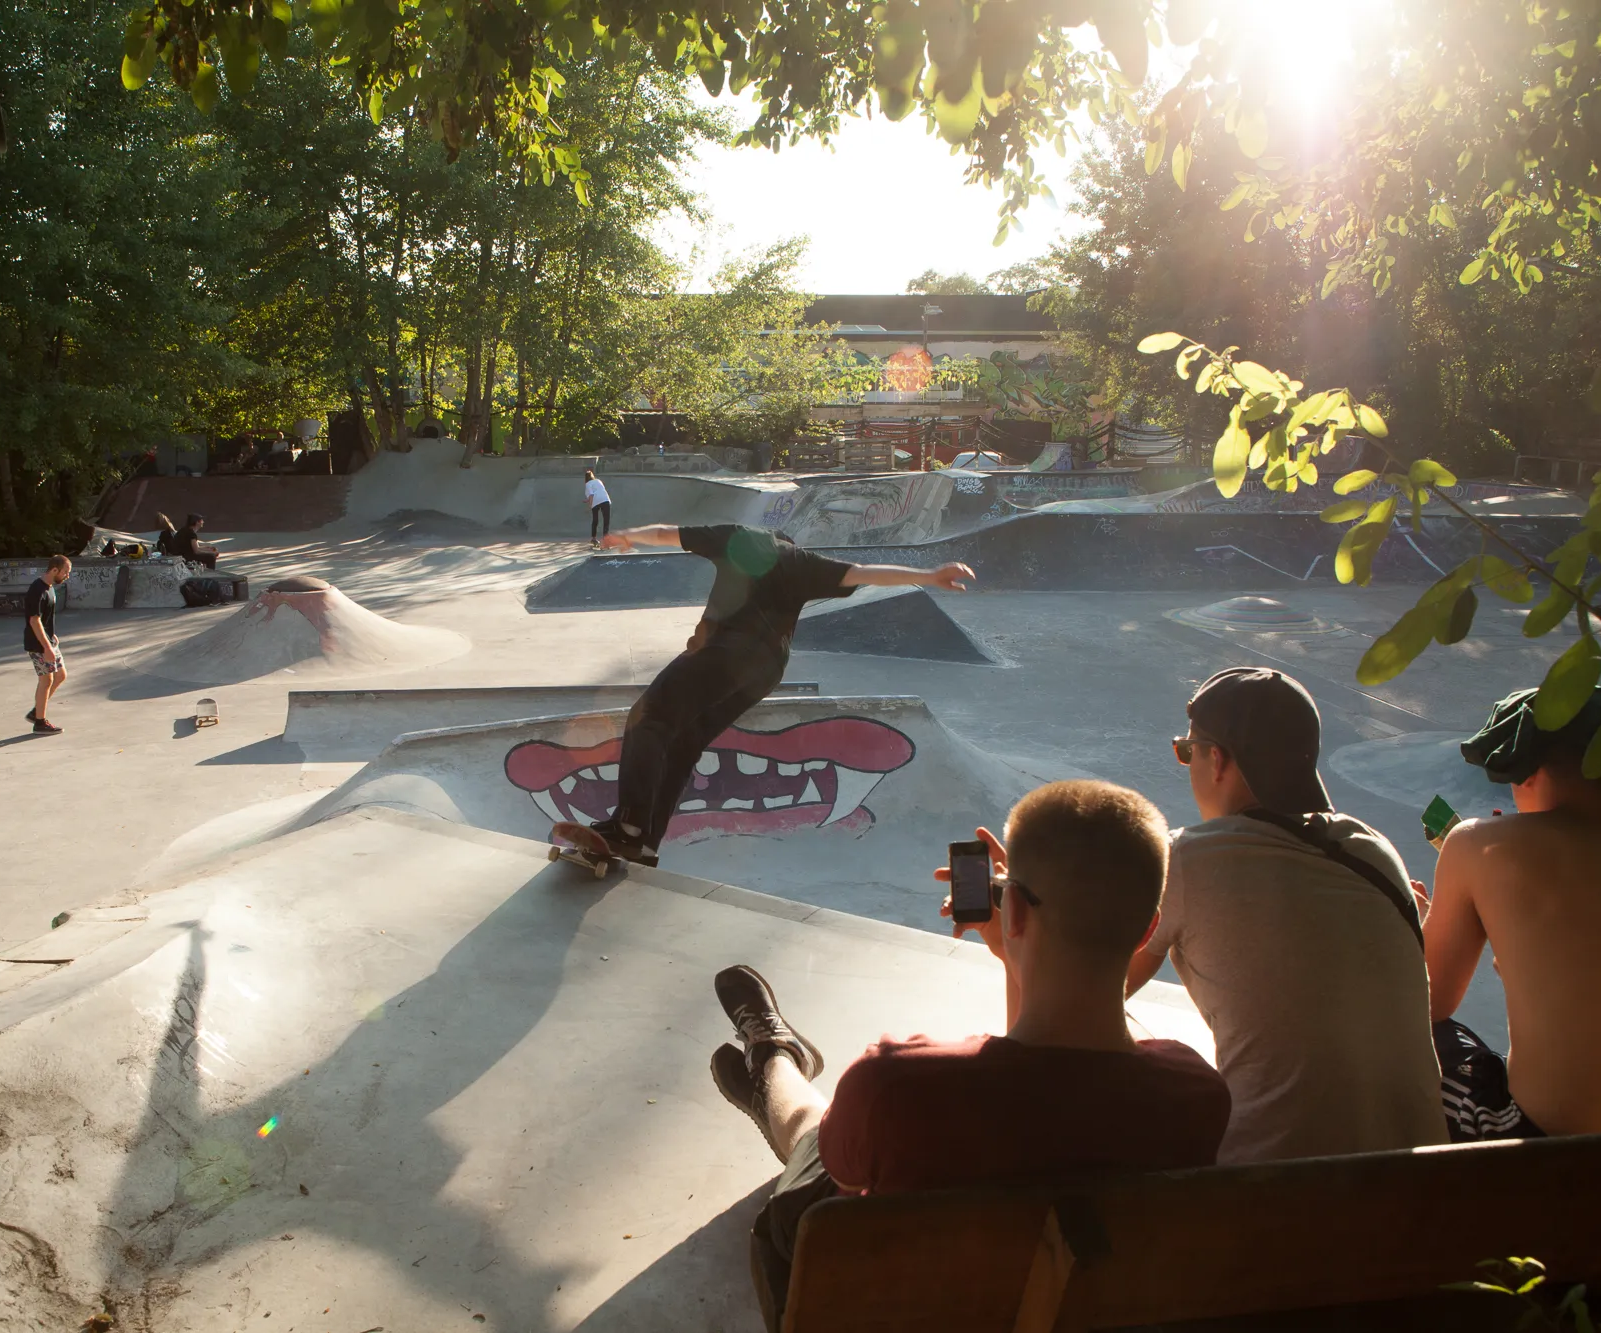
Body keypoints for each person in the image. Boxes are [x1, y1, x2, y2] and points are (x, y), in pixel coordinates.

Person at [710, 781, 1230, 1331]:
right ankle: (768, 1063)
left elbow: (847, 1164)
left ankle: (773, 1056)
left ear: (1018, 914)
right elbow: (1046, 1083)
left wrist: (1014, 938)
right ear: (1151, 927)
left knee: (815, 1135)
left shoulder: (896, 1085)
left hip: (894, 1303)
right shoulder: (1197, 1093)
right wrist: (1015, 953)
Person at [1126, 667, 1446, 1163]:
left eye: (1185, 750)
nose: (1186, 763)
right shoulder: (1375, 851)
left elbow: (1086, 999)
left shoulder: (1186, 860)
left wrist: (1014, 924)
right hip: (1425, 1188)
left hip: (1281, 1198)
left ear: (1216, 760)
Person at [588, 523, 973, 865]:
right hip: (765, 671)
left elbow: (664, 534)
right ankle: (648, 843)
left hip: (723, 654)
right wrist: (930, 575)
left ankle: (630, 827)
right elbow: (864, 572)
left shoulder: (736, 537)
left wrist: (628, 535)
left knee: (649, 719)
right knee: (684, 741)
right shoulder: (800, 562)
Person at [1424, 687, 1601, 1139]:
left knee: (1426, 1042)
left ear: (1528, 773)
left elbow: (1427, 1001)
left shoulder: (1479, 844)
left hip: (1546, 1146)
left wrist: (1410, 924)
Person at [23, 556, 71, 735]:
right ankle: (40, 722)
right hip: (38, 643)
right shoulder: (37, 590)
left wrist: (52, 636)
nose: (67, 576)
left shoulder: (50, 588)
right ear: (54, 570)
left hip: (48, 640)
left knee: (60, 675)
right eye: (65, 572)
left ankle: (36, 712)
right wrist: (47, 647)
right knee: (46, 680)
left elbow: (45, 619)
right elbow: (34, 621)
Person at [583, 469, 612, 549]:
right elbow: (598, 491)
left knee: (595, 520)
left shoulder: (588, 484)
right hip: (605, 499)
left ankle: (594, 538)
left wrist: (590, 505)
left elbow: (592, 495)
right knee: (606, 521)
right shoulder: (598, 481)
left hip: (596, 501)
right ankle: (606, 541)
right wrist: (587, 500)